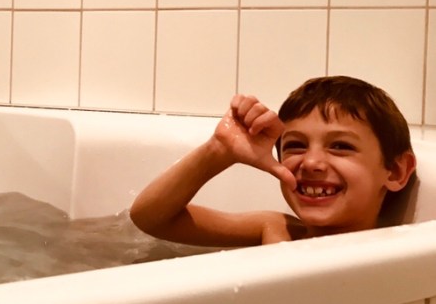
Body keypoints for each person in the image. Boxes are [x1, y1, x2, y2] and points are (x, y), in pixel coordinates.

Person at [130, 76, 417, 246]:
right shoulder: (277, 229)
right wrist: (218, 151)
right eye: (296, 146)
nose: (311, 163)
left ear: (395, 171)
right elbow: (151, 218)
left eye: (340, 146)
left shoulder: (400, 252)